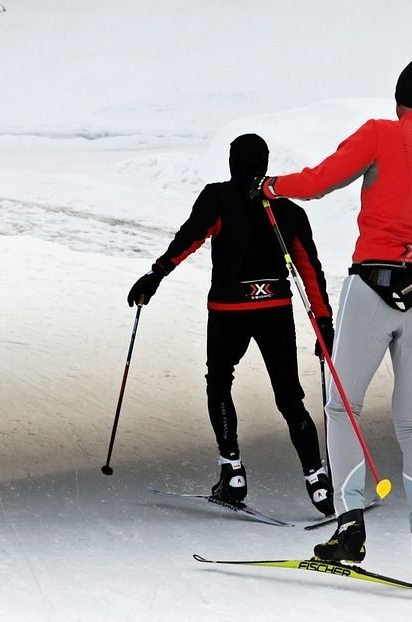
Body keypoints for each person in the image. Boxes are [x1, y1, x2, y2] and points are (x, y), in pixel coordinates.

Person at [250, 59, 412, 580]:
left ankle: (350, 528)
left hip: (372, 288)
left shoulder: (380, 134)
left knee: (344, 407)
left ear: (399, 101)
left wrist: (272, 186)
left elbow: (320, 182)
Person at [128, 133, 336, 516]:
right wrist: (323, 322)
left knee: (219, 382)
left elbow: (188, 240)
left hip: (228, 310)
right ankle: (318, 481)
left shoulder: (218, 197)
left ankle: (233, 472)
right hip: (275, 307)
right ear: (265, 163)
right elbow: (310, 270)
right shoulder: (287, 210)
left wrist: (154, 276)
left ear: (231, 163)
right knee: (290, 397)